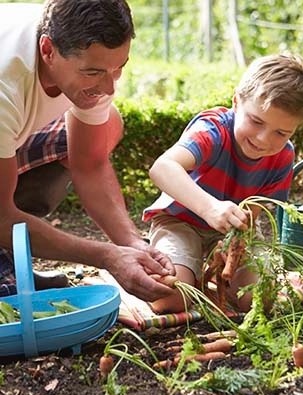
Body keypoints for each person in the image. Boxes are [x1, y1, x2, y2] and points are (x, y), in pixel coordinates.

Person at [0, 0, 176, 300]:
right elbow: (0, 216)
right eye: (93, 72)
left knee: (109, 124)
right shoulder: (6, 85)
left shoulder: (93, 63)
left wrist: (132, 245)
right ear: (47, 50)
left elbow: (90, 163)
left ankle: (11, 252)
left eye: (118, 68)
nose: (108, 87)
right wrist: (106, 256)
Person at [143, 54, 303, 314]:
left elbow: (253, 214)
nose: (263, 139)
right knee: (169, 299)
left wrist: (232, 245)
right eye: (256, 121)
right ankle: (181, 272)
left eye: (281, 133)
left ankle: (219, 281)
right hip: (180, 221)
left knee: (257, 302)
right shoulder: (212, 130)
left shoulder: (283, 156)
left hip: (234, 233)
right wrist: (209, 208)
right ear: (236, 101)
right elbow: (162, 168)